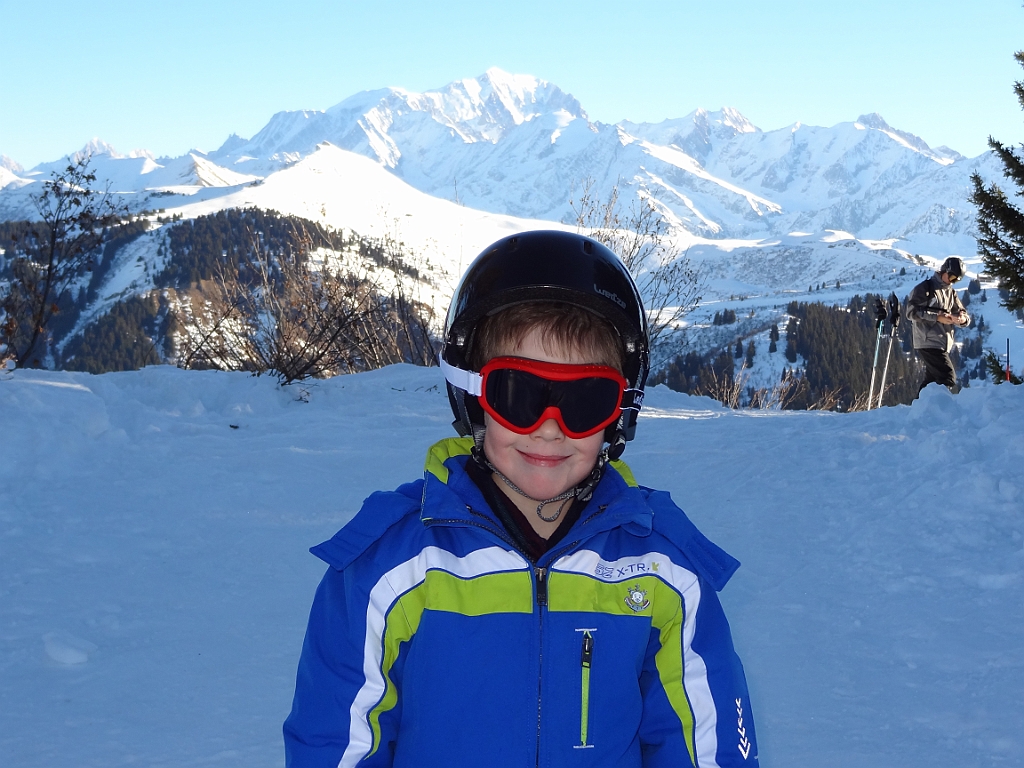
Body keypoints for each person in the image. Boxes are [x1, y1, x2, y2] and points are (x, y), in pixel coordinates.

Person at [283, 230, 759, 768]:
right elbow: (336, 741)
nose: (549, 428)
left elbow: (707, 741)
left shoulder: (663, 569)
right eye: (518, 394)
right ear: (472, 397)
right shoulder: (391, 568)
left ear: (620, 411)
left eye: (584, 399)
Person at [906, 256, 971, 393]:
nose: (952, 281)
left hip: (943, 343)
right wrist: (937, 317)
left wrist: (962, 319)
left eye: (957, 280)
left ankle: (920, 404)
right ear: (944, 271)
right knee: (947, 377)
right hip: (928, 341)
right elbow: (911, 312)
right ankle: (937, 404)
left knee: (931, 382)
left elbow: (962, 312)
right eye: (952, 277)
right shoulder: (925, 288)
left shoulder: (951, 292)